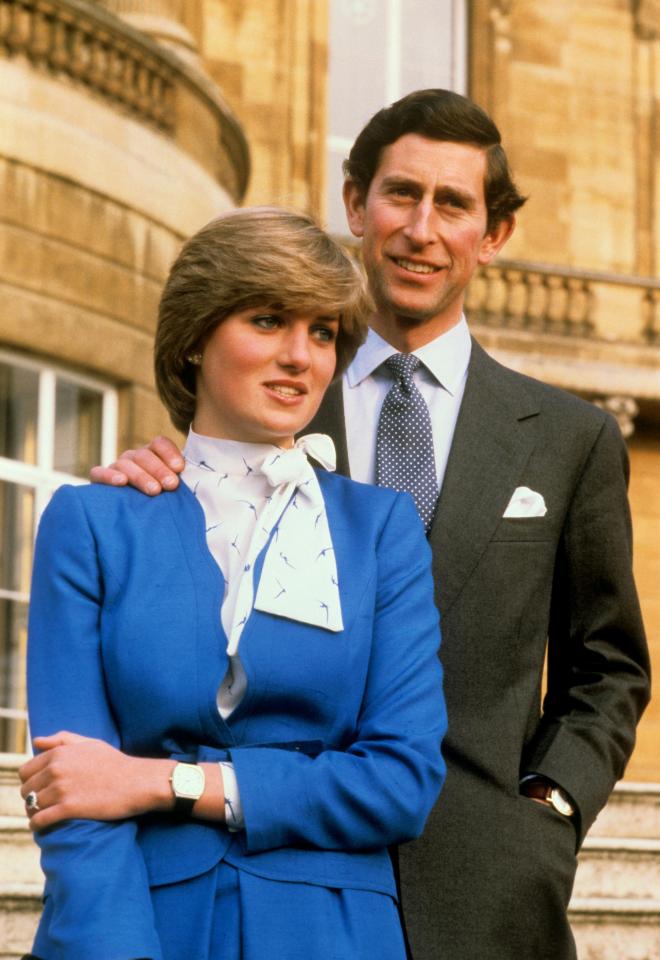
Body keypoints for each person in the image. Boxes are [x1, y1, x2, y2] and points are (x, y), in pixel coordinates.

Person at [89, 91, 651, 960]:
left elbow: (608, 668)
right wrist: (155, 478)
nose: (422, 229)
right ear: (355, 204)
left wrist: (549, 809)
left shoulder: (571, 440)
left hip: (487, 884)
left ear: (492, 234)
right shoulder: (264, 403)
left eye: (453, 204)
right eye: (400, 195)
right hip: (277, 873)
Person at [18, 207, 446, 960]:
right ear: (194, 341)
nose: (300, 357)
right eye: (268, 319)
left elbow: (401, 780)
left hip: (333, 936)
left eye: (322, 333)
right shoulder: (91, 522)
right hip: (138, 925)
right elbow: (75, 793)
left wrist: (164, 782)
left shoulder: (382, 532)